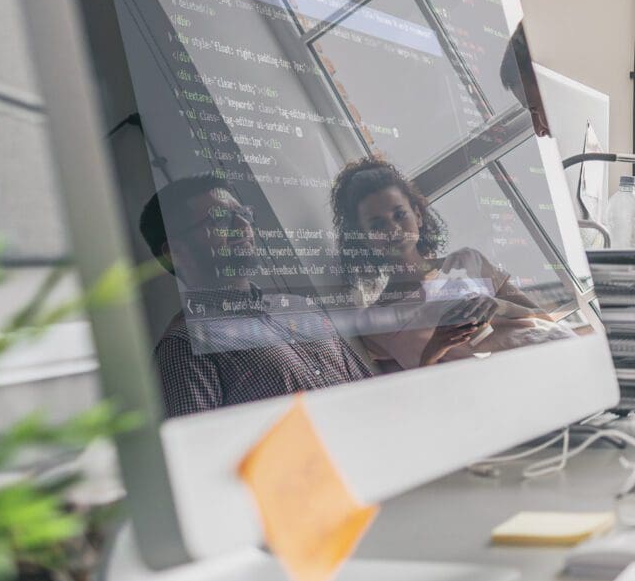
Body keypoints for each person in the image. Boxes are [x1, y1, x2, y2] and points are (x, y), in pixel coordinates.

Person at [140, 174, 370, 417]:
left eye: (244, 215)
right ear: (176, 252)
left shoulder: (298, 306)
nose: (243, 227)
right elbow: (202, 451)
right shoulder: (182, 346)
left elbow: (366, 392)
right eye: (221, 219)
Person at [329, 156, 554, 371]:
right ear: (363, 238)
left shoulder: (468, 260)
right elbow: (411, 392)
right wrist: (435, 348)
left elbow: (543, 318)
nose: (394, 230)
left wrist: (499, 305)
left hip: (550, 348)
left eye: (399, 215)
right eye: (377, 226)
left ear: (417, 215)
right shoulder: (373, 323)